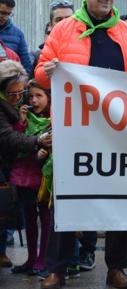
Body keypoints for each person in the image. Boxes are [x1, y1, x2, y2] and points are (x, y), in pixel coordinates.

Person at [35, 0, 127, 289]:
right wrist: (48, 71)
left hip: (118, 133)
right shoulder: (63, 31)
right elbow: (42, 77)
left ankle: (116, 268)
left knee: (119, 201)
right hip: (77, 132)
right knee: (68, 198)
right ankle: (57, 268)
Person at [0, 60, 52, 270]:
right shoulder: (16, 113)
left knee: (46, 218)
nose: (22, 99)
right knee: (27, 217)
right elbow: (10, 138)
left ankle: (44, 259)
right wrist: (36, 140)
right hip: (23, 175)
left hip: (43, 176)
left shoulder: (50, 117)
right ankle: (32, 258)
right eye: (13, 94)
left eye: (20, 93)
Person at [0, 0, 33, 73]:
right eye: (2, 13)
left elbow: (26, 66)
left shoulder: (18, 35)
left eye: (9, 14)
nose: (5, 17)